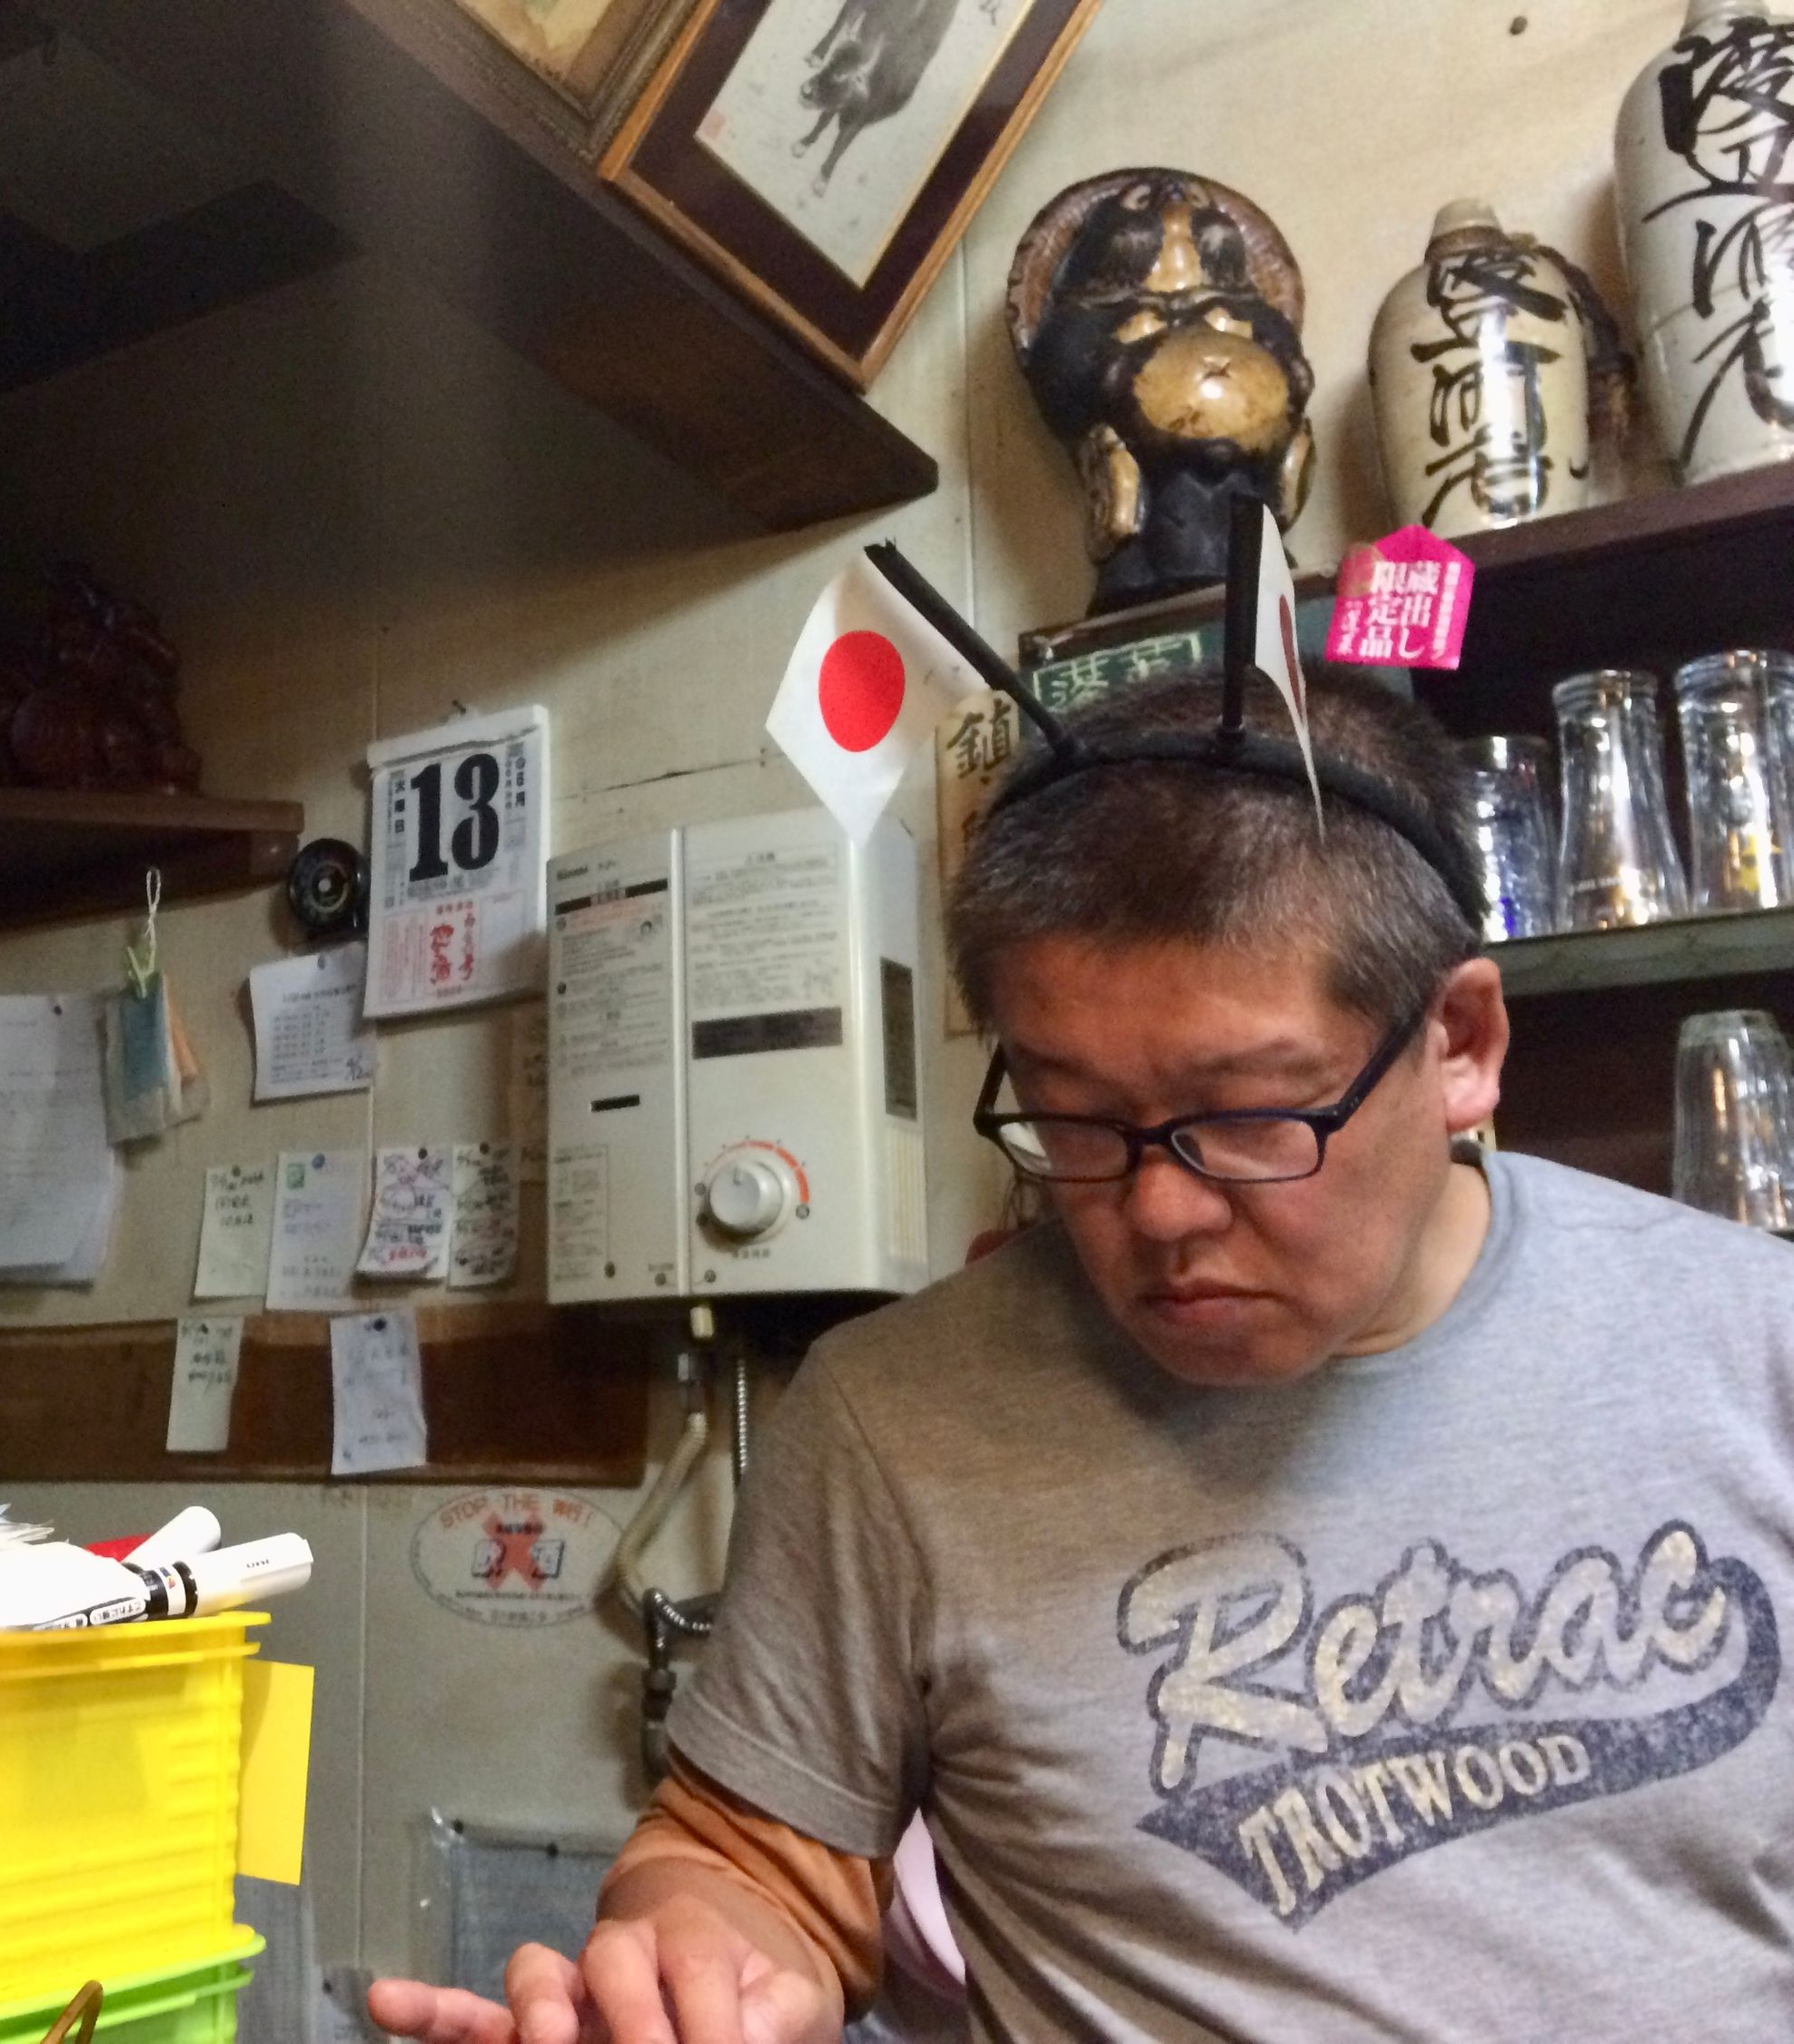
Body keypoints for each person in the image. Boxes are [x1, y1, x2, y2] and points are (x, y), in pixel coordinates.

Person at [371, 669, 1794, 2041]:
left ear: (1462, 1041)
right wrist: (701, 1968)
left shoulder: (1755, 1338)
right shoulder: (895, 1418)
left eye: (1245, 1115)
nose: (1159, 1210)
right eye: (1077, 1119)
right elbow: (755, 1858)